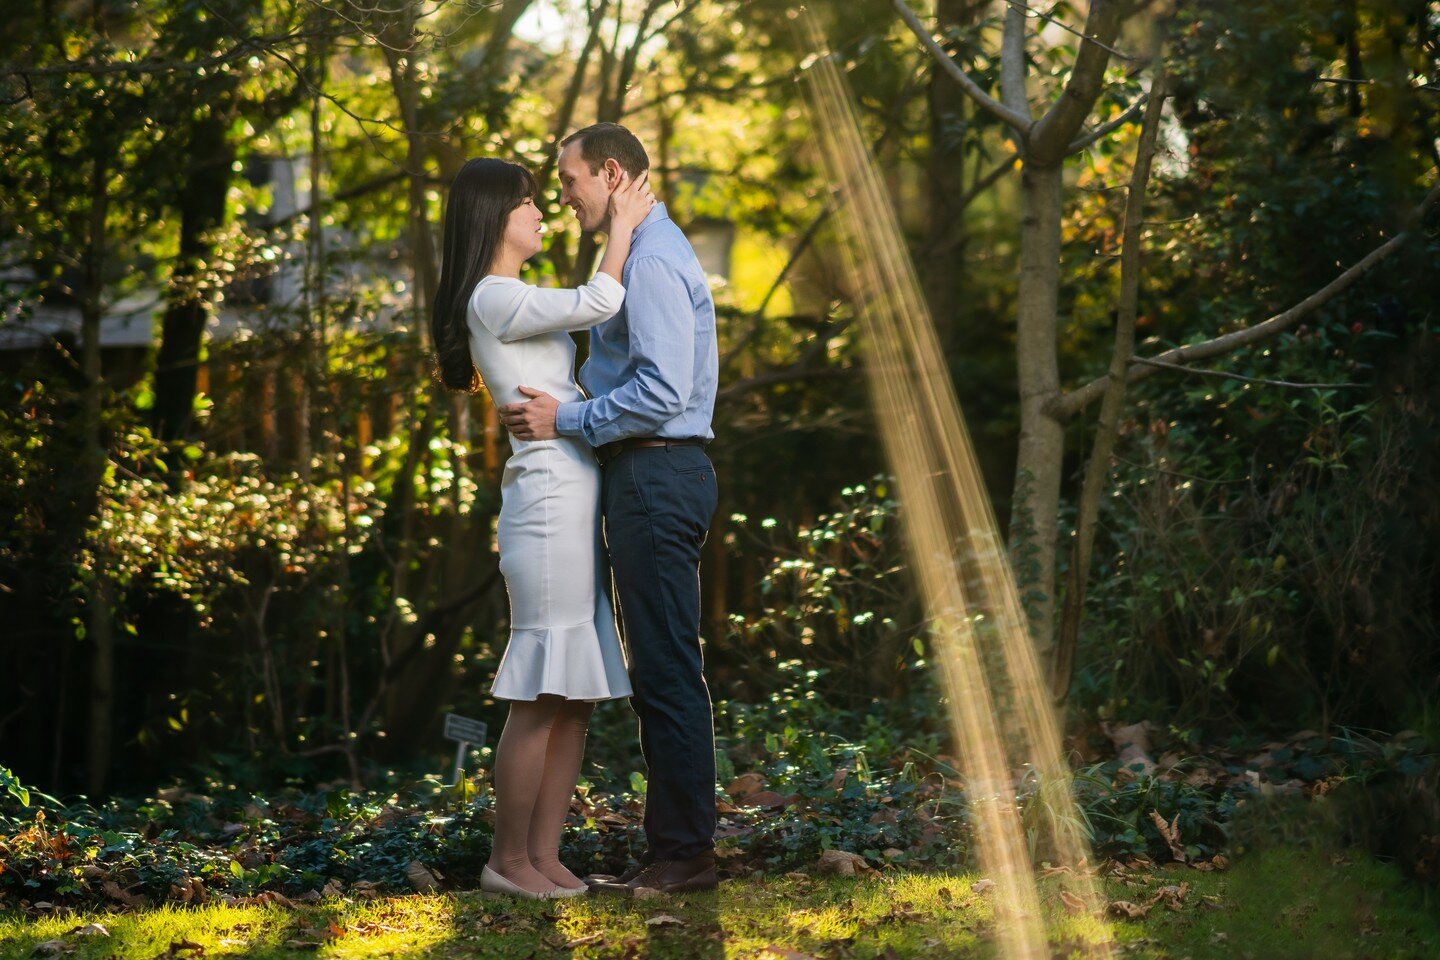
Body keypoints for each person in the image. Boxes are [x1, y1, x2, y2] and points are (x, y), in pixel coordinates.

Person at [498, 122, 722, 896]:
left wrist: (565, 420)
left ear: (613, 173)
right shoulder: (649, 251)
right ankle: (677, 850)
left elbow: (661, 392)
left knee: (665, 670)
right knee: (662, 665)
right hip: (648, 476)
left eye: (569, 180)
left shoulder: (653, 261)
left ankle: (685, 856)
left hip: (658, 476)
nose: (563, 196)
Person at [429, 155, 656, 899]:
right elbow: (598, 301)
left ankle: (544, 857)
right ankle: (508, 861)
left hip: (571, 497)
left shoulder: (514, 294)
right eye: (529, 203)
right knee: (541, 690)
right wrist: (620, 226)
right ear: (495, 217)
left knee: (574, 692)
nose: (542, 212)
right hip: (547, 507)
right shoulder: (492, 296)